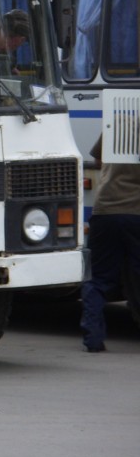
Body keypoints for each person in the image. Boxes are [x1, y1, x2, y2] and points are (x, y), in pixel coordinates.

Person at [80, 136, 140, 352]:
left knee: (98, 277)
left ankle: (93, 338)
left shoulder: (117, 124)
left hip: (106, 209)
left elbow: (97, 160)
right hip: (137, 213)